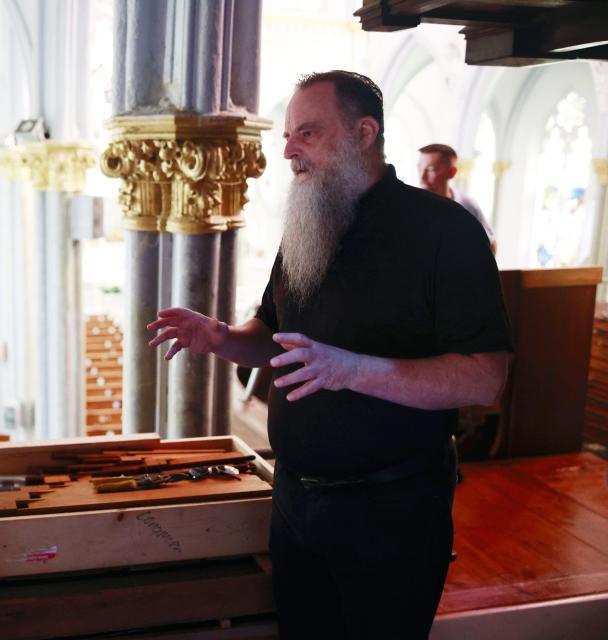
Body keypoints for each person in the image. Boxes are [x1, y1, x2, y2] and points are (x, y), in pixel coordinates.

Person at [148, 71, 511, 639]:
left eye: (308, 133)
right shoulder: (307, 223)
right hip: (296, 500)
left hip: (391, 510)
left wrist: (355, 369)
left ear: (364, 132)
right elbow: (276, 338)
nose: (288, 149)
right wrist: (222, 338)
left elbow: (485, 378)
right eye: (290, 135)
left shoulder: (445, 232)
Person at [418, 143, 497, 253]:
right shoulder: (411, 206)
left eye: (431, 169)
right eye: (420, 168)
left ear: (452, 172)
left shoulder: (468, 207)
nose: (422, 177)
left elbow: (490, 245)